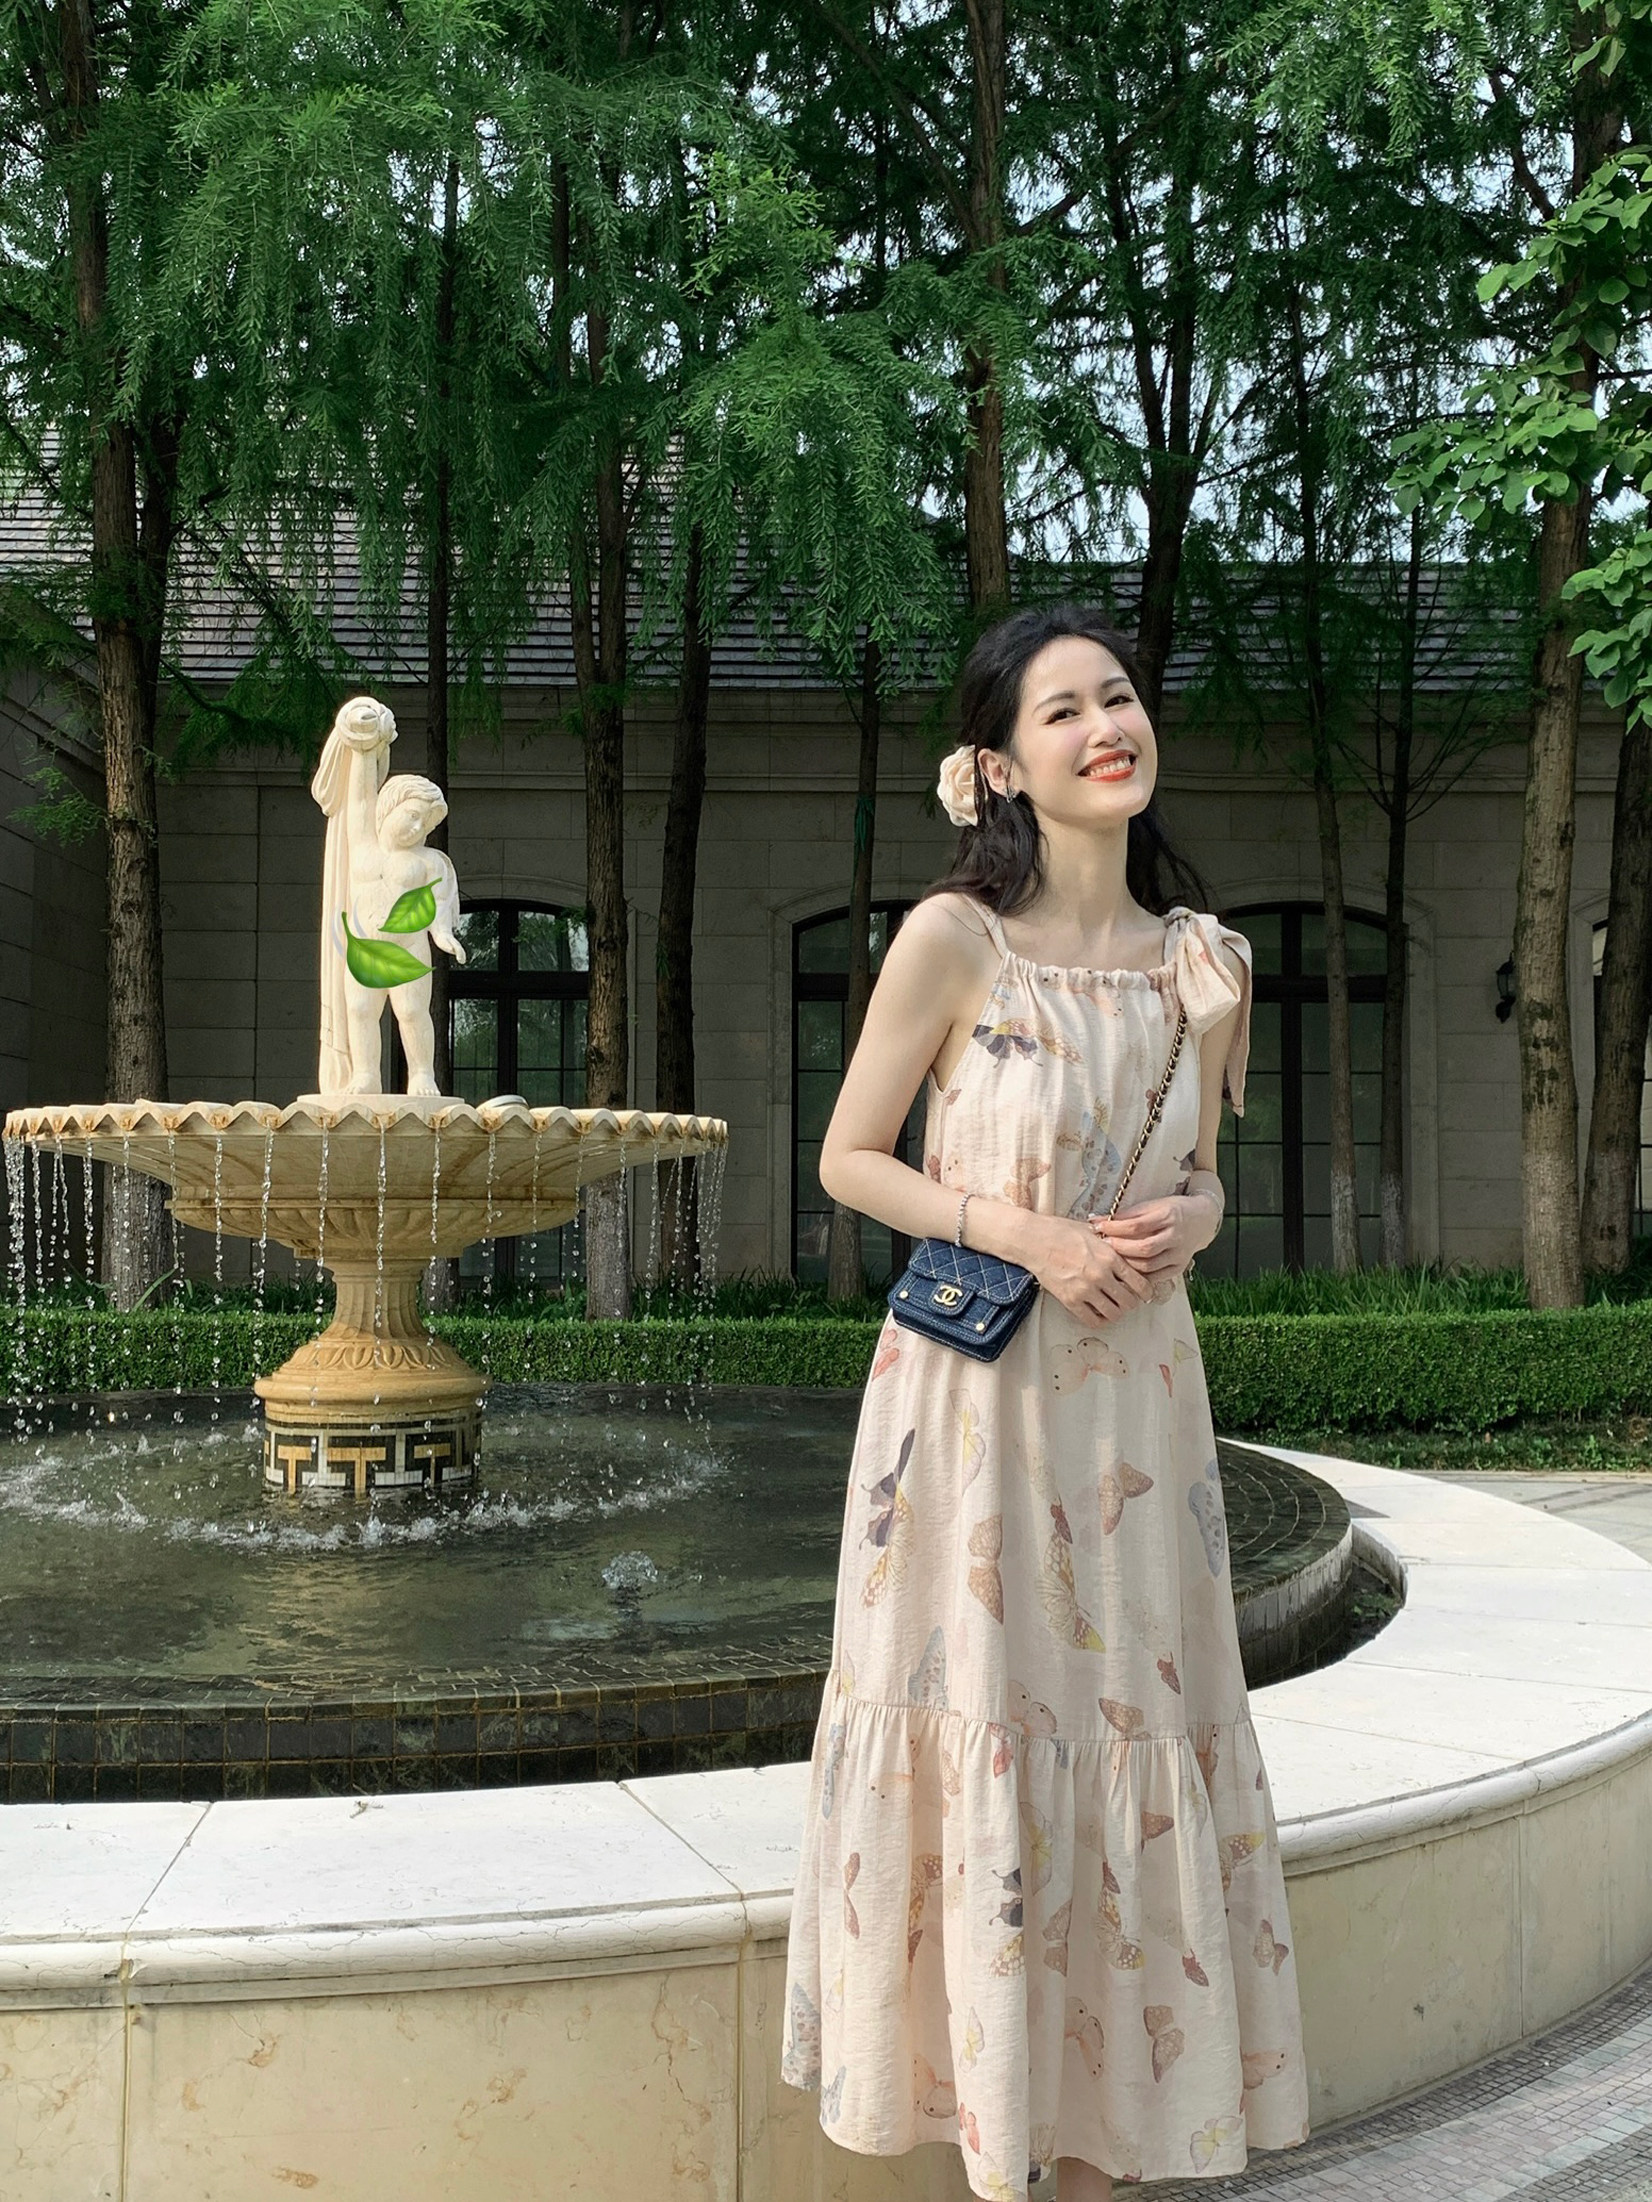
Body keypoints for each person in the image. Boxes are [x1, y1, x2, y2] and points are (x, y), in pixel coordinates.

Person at [781, 604, 1311, 2199]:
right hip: (978, 1407)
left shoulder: (1202, 963)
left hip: (1138, 1401)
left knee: (1130, 1729)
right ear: (1002, 763)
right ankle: (1000, 2138)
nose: (1105, 726)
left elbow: (1204, 1177)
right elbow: (849, 1157)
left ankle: (1103, 2150)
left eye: (1120, 696)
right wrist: (1030, 1235)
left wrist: (1192, 1221)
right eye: (1063, 708)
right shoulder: (955, 939)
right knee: (994, 1724)